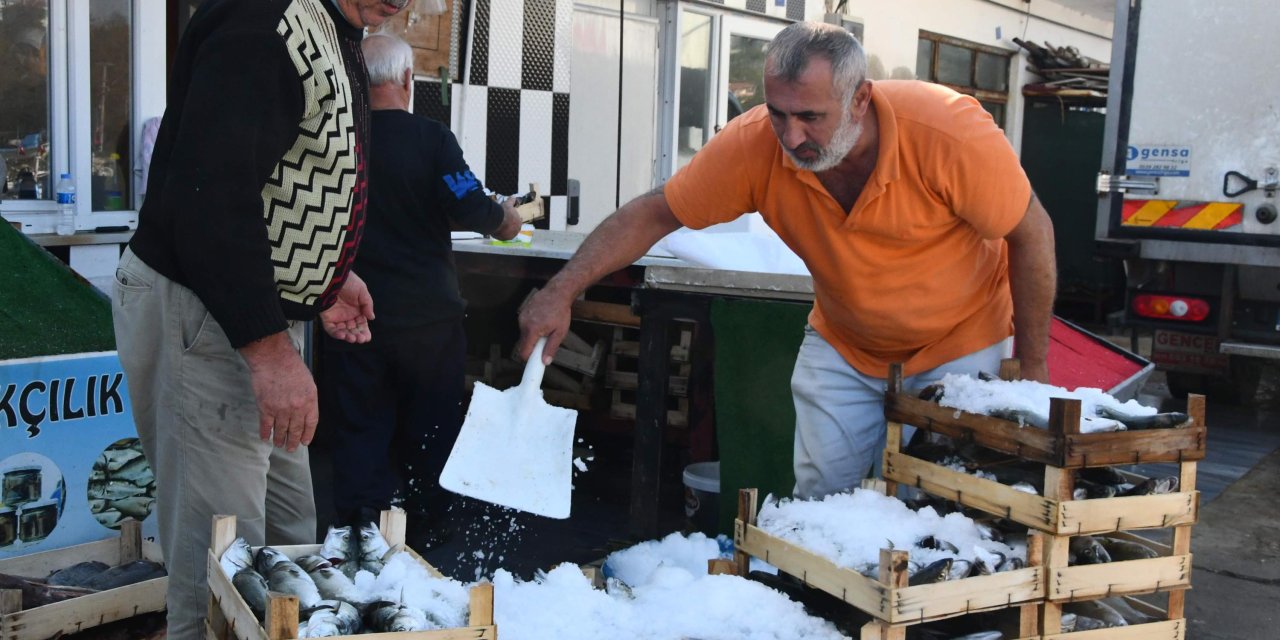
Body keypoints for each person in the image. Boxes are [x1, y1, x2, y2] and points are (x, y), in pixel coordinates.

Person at [517, 22, 1056, 501]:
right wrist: (560, 291)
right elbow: (654, 213)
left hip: (959, 339)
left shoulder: (948, 132)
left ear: (860, 99)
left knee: (940, 499)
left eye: (811, 117)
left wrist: (1032, 371)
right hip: (846, 340)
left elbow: (1031, 233)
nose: (792, 136)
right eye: (778, 113)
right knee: (822, 503)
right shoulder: (754, 145)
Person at [111, 0, 407, 637]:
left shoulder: (333, 21)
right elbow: (209, 198)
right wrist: (269, 351)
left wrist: (325, 279)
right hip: (207, 314)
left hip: (252, 317)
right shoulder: (264, 19)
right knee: (223, 567)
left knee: (288, 546)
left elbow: (285, 172)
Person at [317, 32, 521, 545]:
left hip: (350, 316)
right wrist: (508, 218)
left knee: (358, 426)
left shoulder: (336, 139)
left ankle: (359, 530)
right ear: (408, 79)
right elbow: (472, 206)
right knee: (431, 429)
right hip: (428, 321)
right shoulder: (432, 140)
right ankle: (426, 533)